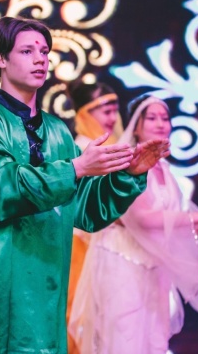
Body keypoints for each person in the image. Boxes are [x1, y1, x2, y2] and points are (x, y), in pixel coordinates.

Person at [0, 17, 170, 353]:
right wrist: (75, 168)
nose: (40, 59)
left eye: (44, 51)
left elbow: (85, 209)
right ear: (1, 58)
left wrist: (129, 175)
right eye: (27, 51)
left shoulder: (57, 131)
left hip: (47, 285)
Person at [68, 94, 198, 354]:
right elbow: (143, 219)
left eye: (165, 118)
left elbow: (167, 218)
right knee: (124, 341)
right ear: (136, 125)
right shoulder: (125, 162)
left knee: (155, 341)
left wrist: (195, 227)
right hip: (122, 263)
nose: (160, 123)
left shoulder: (165, 168)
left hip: (154, 268)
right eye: (152, 118)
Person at [65, 80, 124, 353]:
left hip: (112, 247)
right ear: (85, 114)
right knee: (82, 316)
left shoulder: (116, 147)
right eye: (105, 111)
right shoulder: (80, 150)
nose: (113, 118)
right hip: (82, 246)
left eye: (115, 111)